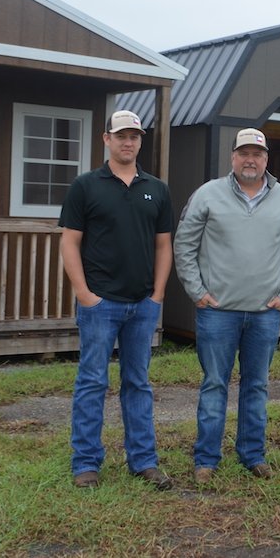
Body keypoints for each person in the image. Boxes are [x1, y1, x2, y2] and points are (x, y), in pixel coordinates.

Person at [173, 127, 280, 483]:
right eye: (244, 153)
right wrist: (196, 290)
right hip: (217, 311)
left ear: (266, 159)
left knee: (257, 385)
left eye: (258, 154)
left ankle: (252, 454)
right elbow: (184, 244)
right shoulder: (208, 194)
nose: (251, 160)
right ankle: (206, 459)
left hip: (265, 313)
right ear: (232, 157)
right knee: (215, 383)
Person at [59, 109, 174, 490]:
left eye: (135, 136)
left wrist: (157, 294)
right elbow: (70, 241)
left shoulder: (156, 188)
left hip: (142, 305)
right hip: (100, 305)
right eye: (121, 135)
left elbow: (163, 245)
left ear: (141, 141)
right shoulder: (86, 185)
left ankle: (143, 461)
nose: (128, 142)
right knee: (92, 382)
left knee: (137, 383)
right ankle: (86, 464)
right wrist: (84, 295)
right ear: (106, 139)